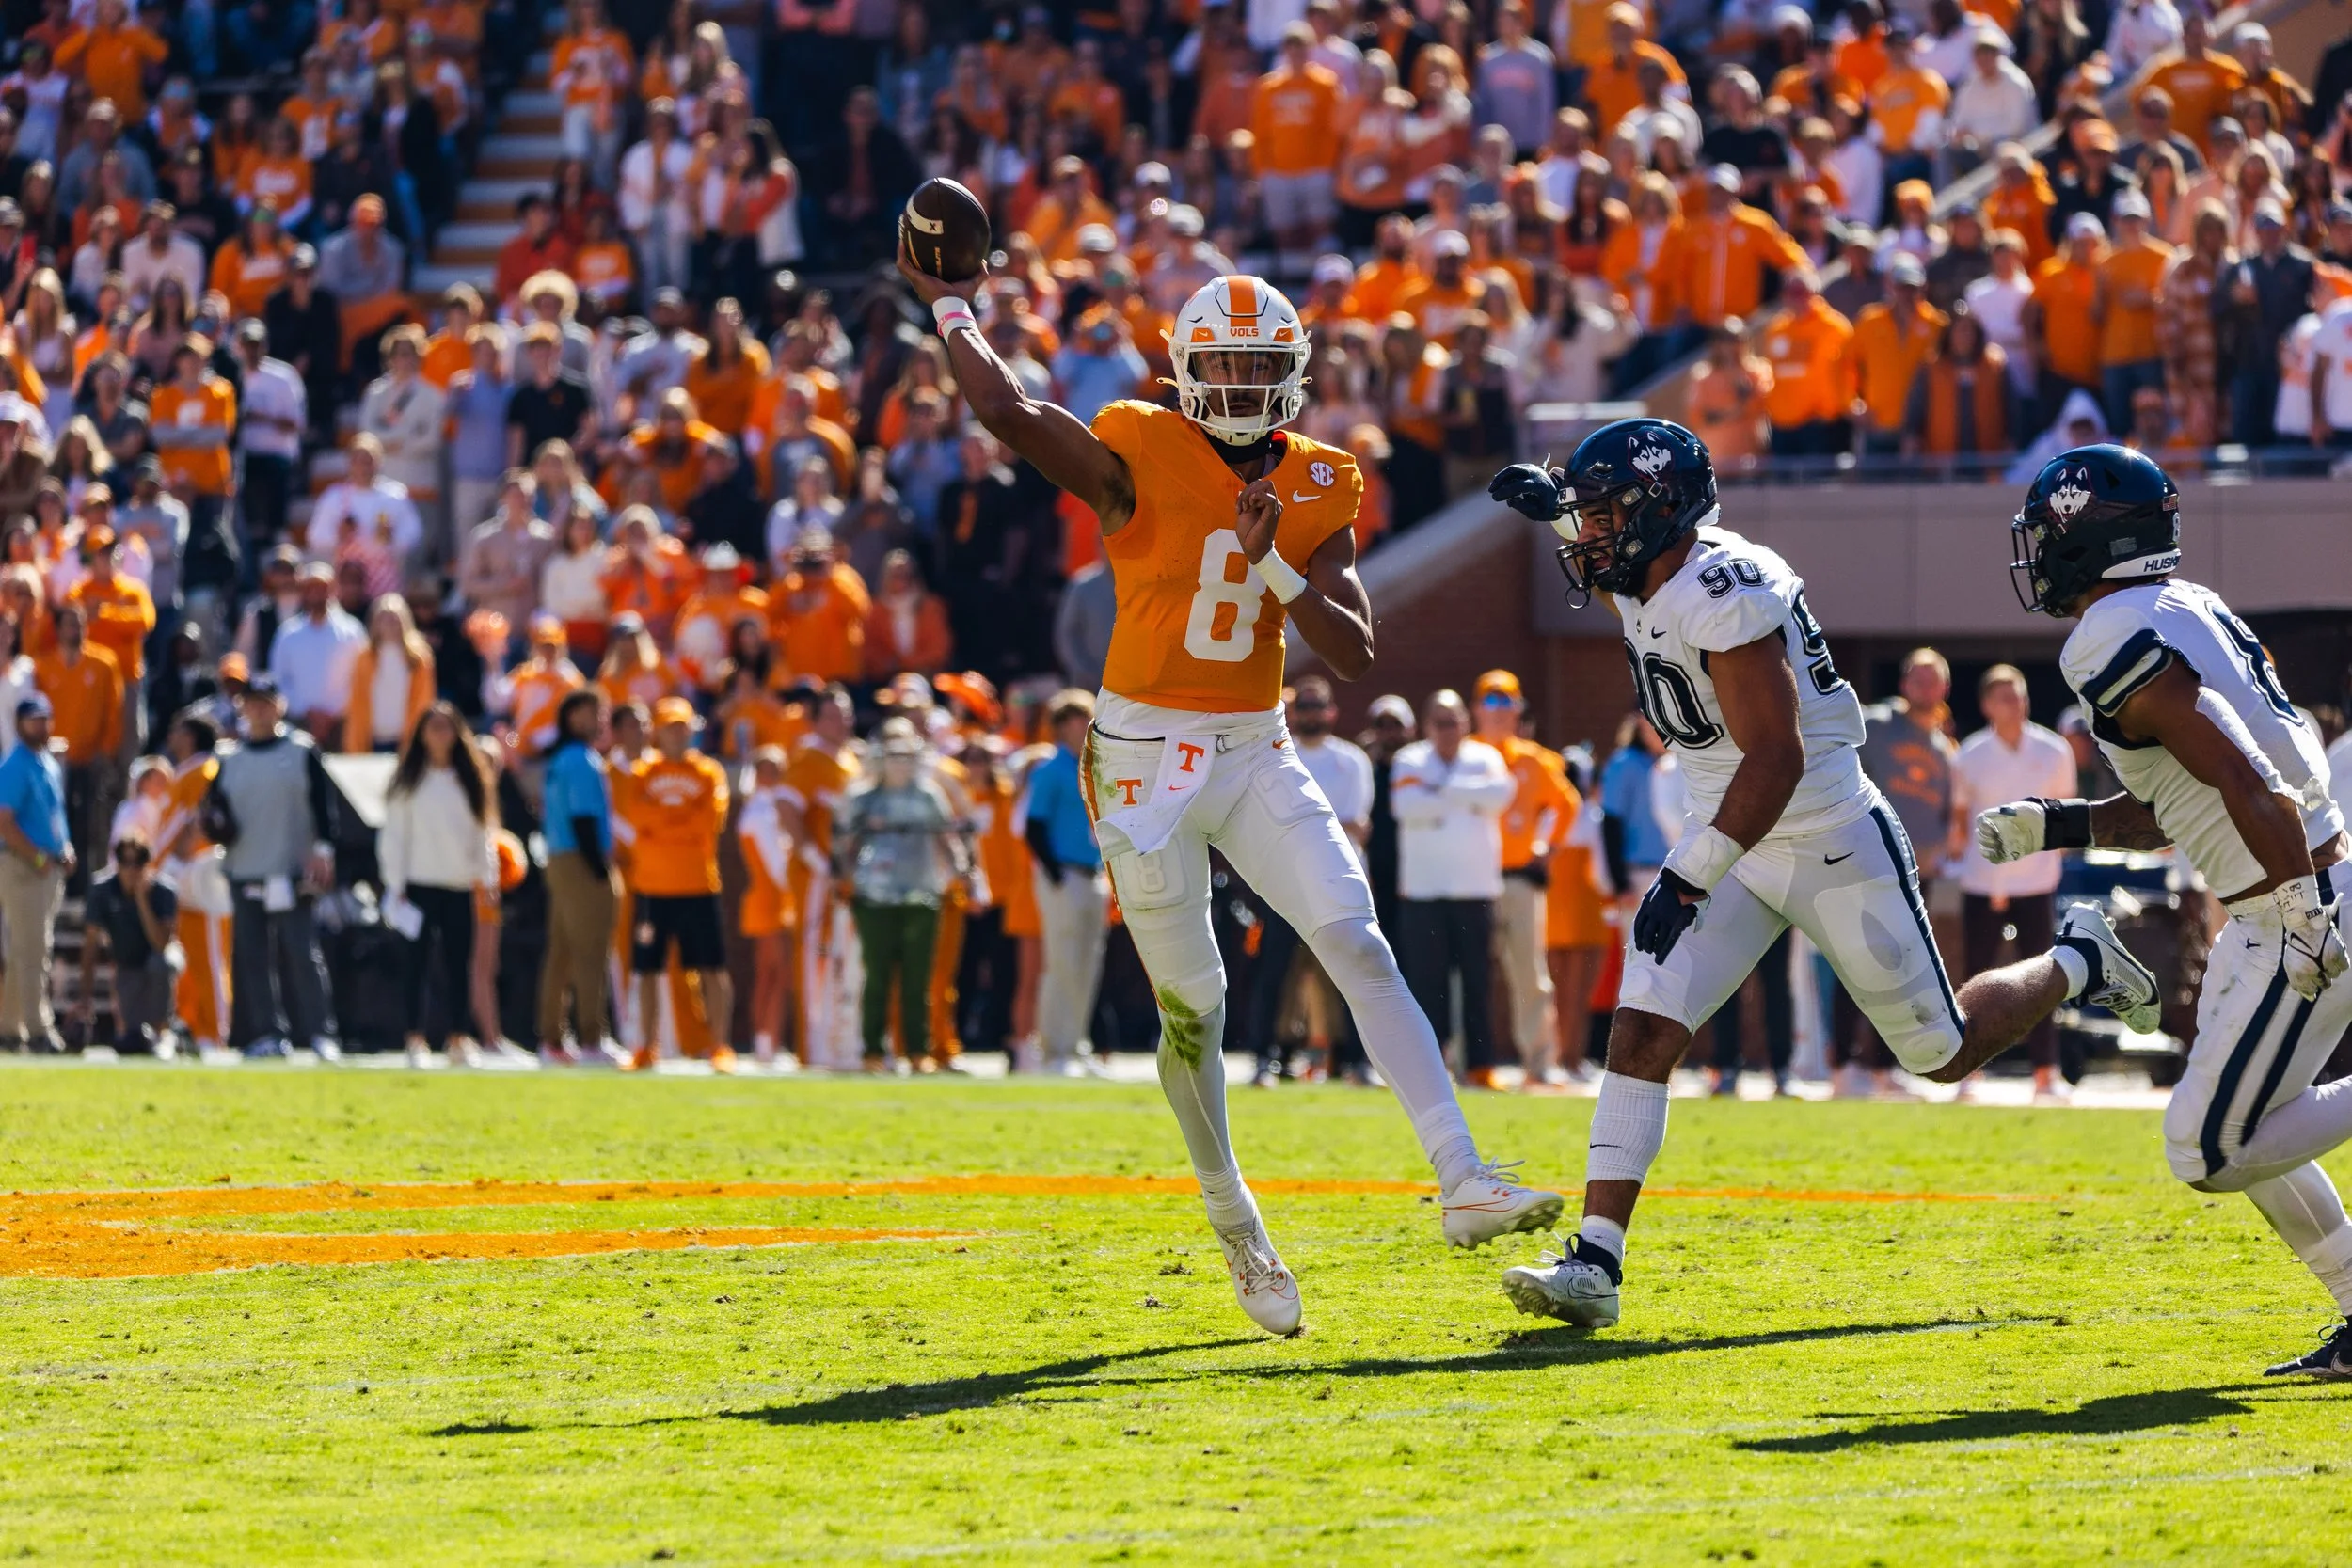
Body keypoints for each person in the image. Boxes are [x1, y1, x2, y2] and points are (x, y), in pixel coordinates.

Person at [899, 240, 1560, 1337]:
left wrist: (1273, 563)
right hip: (1143, 755)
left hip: (1255, 742)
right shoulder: (1136, 442)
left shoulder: (1317, 476)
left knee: (1355, 935)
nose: (1248, 387)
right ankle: (1234, 1216)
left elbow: (1349, 650)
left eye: (1265, 368)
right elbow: (1013, 415)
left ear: (1292, 372)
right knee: (1194, 1010)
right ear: (1189, 366)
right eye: (1230, 366)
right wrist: (954, 308)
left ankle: (1462, 1175)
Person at [1486, 420, 2156, 1330]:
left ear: (1659, 510)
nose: (1590, 534)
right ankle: (1596, 1259)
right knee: (1642, 1028)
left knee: (1938, 1050)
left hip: (1822, 832)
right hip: (1730, 835)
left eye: (1604, 514)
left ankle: (2079, 957)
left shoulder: (1726, 585)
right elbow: (1639, 605)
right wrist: (1556, 521)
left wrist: (1686, 876)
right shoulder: (1649, 570)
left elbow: (1775, 757)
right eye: (1587, 517)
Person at [1986, 445, 2352, 1379]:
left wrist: (2304, 910)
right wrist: (2060, 821)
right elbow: (2194, 789)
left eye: (2050, 533)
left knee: (2209, 1149)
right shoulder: (2186, 605)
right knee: (2242, 1123)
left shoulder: (2105, 634)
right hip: (2283, 891)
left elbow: (2243, 774)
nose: (2037, 552)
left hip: (2292, 901)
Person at [1948, 663, 2079, 1100]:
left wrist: (2040, 858)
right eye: (2005, 697)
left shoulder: (2054, 749)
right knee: (1975, 979)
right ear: (1987, 705)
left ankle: (2046, 1073)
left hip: (2038, 882)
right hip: (1982, 882)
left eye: (2020, 695)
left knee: (2042, 978)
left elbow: (2066, 817)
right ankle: (1966, 1071)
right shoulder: (1969, 754)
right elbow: (1961, 823)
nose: (2016, 703)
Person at [210, 675, 342, 1060]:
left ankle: (320, 1031)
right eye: (252, 703)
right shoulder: (228, 758)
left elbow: (323, 806)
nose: (259, 710)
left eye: (266, 702)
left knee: (300, 951)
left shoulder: (302, 751)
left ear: (280, 706)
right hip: (245, 867)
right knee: (251, 956)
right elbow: (214, 810)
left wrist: (323, 851)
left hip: (290, 870)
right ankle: (264, 1033)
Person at [1391, 688, 1515, 1086]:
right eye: (1440, 723)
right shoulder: (1409, 759)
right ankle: (1432, 1067)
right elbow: (1405, 807)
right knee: (1428, 984)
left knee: (1479, 981)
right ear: (1428, 726)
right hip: (1423, 893)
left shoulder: (1486, 756)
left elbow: (1501, 795)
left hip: (1476, 890)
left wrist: (1439, 792)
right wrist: (1467, 797)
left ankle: (1480, 1066)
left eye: (1454, 721)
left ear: (1465, 722)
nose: (1448, 730)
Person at [1253, 674, 1372, 1082]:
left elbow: (1357, 825)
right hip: (1285, 882)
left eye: (1318, 706)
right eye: (1303, 707)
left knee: (1347, 976)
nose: (1311, 714)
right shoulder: (1276, 755)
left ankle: (1354, 1060)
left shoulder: (1352, 759)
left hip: (1339, 883)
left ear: (1333, 712)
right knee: (1277, 975)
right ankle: (1267, 1057)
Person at [835, 716, 969, 1071]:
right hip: (873, 894)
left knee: (918, 978)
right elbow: (845, 843)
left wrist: (962, 868)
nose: (900, 763)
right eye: (894, 756)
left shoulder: (928, 795)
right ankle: (873, 1051)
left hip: (921, 891)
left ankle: (917, 1050)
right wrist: (844, 875)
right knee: (877, 975)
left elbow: (947, 836)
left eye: (907, 756)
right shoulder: (863, 798)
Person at [382, 702, 502, 1067]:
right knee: (415, 964)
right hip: (417, 884)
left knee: (457, 965)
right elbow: (394, 836)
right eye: (432, 727)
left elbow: (483, 831)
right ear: (420, 733)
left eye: (445, 727)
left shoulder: (471, 778)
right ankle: (415, 1038)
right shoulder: (407, 780)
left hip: (458, 883)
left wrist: (488, 875)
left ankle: (458, 1038)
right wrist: (395, 882)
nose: (439, 734)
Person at [1470, 669, 1574, 1084]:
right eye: (1490, 701)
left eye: (1506, 702)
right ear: (1477, 708)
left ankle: (1539, 1063)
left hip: (1519, 879)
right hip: (1472, 880)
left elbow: (1568, 806)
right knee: (1471, 973)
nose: (1498, 711)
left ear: (1518, 709)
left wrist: (1547, 850)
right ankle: (1465, 1061)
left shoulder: (1535, 759)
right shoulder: (1465, 753)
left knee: (1530, 973)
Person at [623, 697, 734, 1072]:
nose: (677, 734)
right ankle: (646, 1046)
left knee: (712, 968)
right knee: (647, 970)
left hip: (699, 884)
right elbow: (638, 816)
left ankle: (719, 1045)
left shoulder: (708, 773)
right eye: (670, 727)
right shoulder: (642, 773)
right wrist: (680, 819)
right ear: (658, 731)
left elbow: (708, 823)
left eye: (682, 727)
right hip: (653, 887)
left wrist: (665, 822)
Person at [1022, 689, 1108, 1074]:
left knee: (1089, 964)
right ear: (1060, 728)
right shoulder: (1050, 770)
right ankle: (1054, 1050)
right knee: (1062, 963)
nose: (1081, 728)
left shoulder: (1096, 767)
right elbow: (1033, 826)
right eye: (1073, 721)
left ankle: (1078, 1046)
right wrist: (1055, 874)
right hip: (1063, 875)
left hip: (1094, 874)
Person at [538, 689, 618, 1063]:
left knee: (563, 952)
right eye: (591, 713)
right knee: (590, 951)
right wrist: (601, 870)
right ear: (572, 717)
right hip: (580, 860)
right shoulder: (583, 761)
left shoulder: (562, 759)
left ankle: (552, 1039)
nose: (600, 720)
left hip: (559, 859)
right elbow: (584, 818)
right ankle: (592, 1037)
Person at [0, 694, 70, 1051]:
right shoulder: (15, 765)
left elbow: (53, 816)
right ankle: (38, 1027)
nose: (40, 726)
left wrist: (64, 850)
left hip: (47, 866)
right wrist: (39, 858)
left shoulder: (48, 762)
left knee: (23, 950)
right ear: (20, 723)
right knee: (33, 949)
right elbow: (5, 821)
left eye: (45, 719)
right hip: (23, 866)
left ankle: (8, 1028)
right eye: (33, 720)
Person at [82, 829, 179, 1053]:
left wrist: (142, 900)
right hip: (126, 966)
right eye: (125, 862)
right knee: (132, 1036)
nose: (132, 869)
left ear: (148, 863)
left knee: (162, 963)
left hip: (156, 961)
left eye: (139, 862)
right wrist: (85, 997)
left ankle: (162, 1031)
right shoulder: (103, 890)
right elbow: (90, 945)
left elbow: (161, 945)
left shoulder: (164, 891)